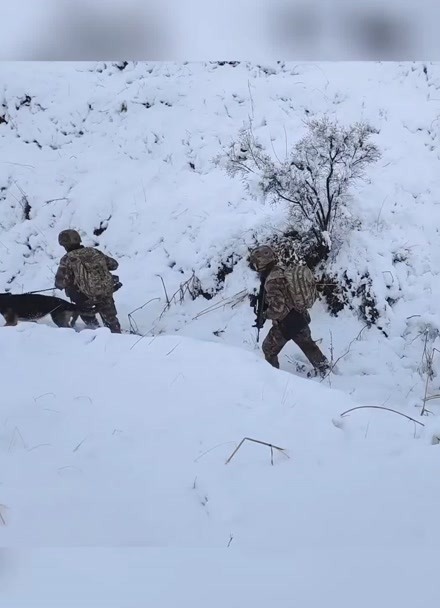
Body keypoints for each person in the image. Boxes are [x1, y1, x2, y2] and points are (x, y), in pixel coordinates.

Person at [249, 245, 329, 376]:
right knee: (308, 345)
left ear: (260, 263)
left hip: (286, 323)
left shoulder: (271, 281)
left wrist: (264, 314)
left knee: (268, 349)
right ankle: (325, 370)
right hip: (300, 317)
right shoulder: (281, 269)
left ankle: (273, 378)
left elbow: (278, 308)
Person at [55, 229, 122, 333]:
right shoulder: (94, 251)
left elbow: (60, 282)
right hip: (105, 291)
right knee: (110, 317)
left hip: (84, 298)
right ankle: (116, 333)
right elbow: (114, 265)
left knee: (86, 314)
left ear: (64, 244)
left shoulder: (68, 259)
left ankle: (95, 330)